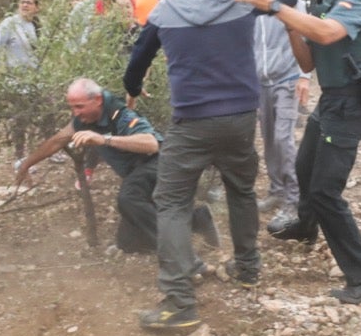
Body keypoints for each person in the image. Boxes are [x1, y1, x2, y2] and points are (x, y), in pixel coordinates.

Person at [232, 0, 361, 305]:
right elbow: (308, 62)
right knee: (304, 169)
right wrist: (288, 24)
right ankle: (305, 228)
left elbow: (327, 32)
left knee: (325, 191)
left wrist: (272, 5)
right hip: (332, 98)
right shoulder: (322, 2)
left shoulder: (356, 1)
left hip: (352, 104)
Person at [125, 0, 263, 330]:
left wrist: (134, 89)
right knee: (241, 191)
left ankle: (179, 303)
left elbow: (136, 64)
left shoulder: (167, 9)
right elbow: (284, 3)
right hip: (239, 118)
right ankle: (248, 269)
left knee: (170, 203)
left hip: (192, 123)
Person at [15, 78, 215, 260]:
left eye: (79, 106)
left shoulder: (121, 114)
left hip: (159, 162)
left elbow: (151, 143)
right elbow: (57, 141)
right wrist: (27, 164)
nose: (75, 112)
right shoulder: (84, 120)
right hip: (137, 173)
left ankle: (181, 255)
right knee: (129, 243)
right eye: (72, 107)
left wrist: (104, 139)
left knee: (129, 198)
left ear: (98, 100)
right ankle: (198, 220)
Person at [242, 0, 306, 229]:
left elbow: (305, 33)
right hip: (261, 82)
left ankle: (294, 197)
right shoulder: (249, 6)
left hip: (287, 77)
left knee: (283, 138)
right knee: (268, 139)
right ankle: (276, 190)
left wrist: (304, 76)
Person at [0, 0, 39, 71]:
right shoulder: (10, 23)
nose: (25, 5)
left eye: (29, 3)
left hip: (36, 79)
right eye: (22, 2)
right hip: (15, 78)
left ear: (36, 7)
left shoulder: (38, 26)